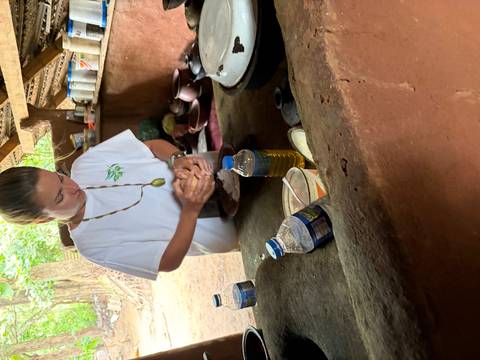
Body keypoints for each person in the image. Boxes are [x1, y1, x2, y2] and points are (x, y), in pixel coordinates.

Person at [0, 130, 238, 280]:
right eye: (60, 197)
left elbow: (152, 147)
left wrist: (178, 160)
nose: (73, 187)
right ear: (44, 218)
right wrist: (191, 210)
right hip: (233, 226)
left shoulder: (85, 164)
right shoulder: (91, 245)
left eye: (60, 177)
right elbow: (166, 261)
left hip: (223, 168)